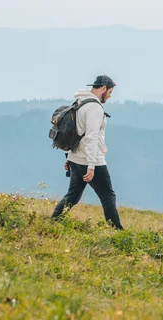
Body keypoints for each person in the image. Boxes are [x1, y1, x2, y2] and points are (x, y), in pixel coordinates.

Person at [51, 75, 124, 230]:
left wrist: (69, 157)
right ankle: (118, 232)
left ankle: (52, 222)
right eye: (110, 92)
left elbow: (72, 132)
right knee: (108, 197)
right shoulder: (95, 108)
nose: (109, 97)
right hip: (91, 160)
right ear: (103, 88)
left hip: (75, 158)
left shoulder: (80, 102)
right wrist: (91, 166)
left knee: (72, 196)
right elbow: (91, 137)